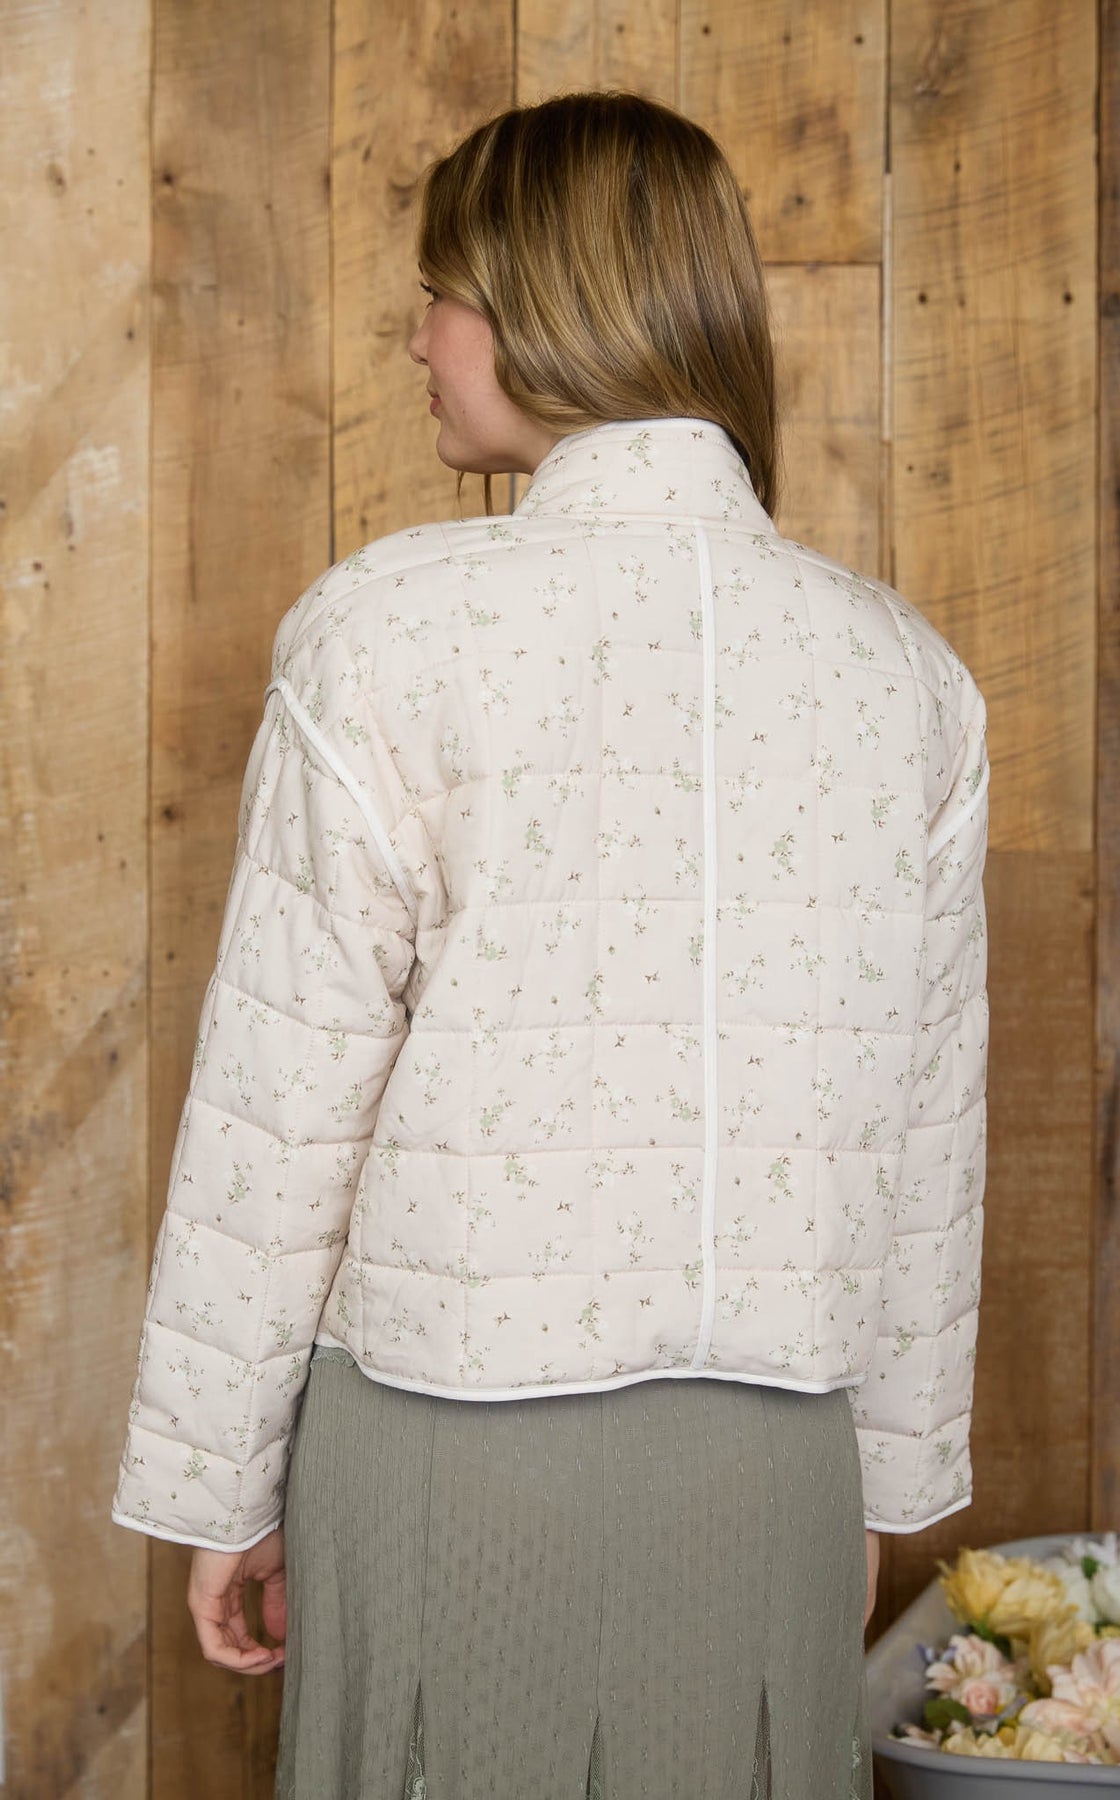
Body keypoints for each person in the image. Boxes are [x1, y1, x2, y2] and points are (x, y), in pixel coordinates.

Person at [111, 89, 989, 1800]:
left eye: (438, 293)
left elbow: (283, 1102)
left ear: (543, 304)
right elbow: (926, 1137)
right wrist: (883, 1482)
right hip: (777, 1472)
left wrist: (218, 1483)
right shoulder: (904, 673)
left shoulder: (388, 631)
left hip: (443, 1446)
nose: (415, 341)